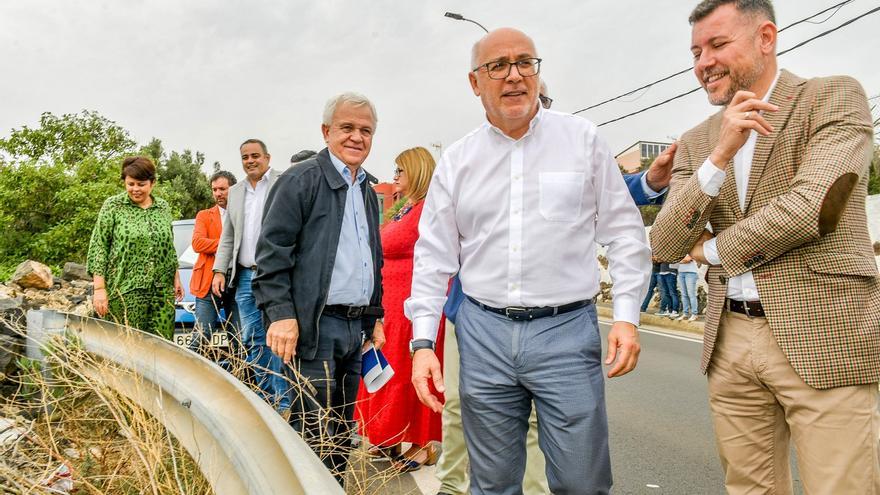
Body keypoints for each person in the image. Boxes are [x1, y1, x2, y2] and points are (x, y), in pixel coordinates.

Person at [407, 28, 651, 494]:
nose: (514, 75)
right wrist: (422, 343)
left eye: (526, 63)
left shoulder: (582, 140)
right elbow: (434, 256)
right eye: (498, 65)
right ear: (475, 83)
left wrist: (626, 317)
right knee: (493, 483)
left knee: (582, 481)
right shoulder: (458, 160)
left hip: (566, 332)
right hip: (483, 334)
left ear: (538, 73)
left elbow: (623, 231)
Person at [650, 1, 879, 493]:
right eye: (695, 52)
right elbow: (667, 241)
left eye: (717, 45)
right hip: (729, 338)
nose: (703, 62)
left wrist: (709, 252)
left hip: (825, 333)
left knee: (842, 486)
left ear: (766, 38)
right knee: (748, 488)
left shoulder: (832, 97)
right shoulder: (697, 141)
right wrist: (720, 154)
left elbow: (811, 208)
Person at [254, 92, 385, 486]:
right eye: (347, 128)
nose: (356, 137)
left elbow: (370, 260)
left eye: (365, 130)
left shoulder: (366, 189)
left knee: (343, 431)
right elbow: (272, 255)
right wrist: (281, 315)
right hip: (314, 327)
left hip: (354, 328)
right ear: (327, 131)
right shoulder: (301, 180)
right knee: (313, 429)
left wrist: (374, 319)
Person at [356, 146, 444, 472]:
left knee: (409, 373)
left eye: (400, 172)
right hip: (390, 301)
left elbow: (391, 244)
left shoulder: (426, 209)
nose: (395, 178)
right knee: (389, 371)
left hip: (411, 303)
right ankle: (388, 434)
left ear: (417, 172)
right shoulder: (404, 208)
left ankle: (422, 445)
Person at [211, 139, 288, 412]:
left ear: (267, 157)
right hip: (245, 277)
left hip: (277, 276)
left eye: (255, 155)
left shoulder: (283, 182)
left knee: (278, 337)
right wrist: (219, 270)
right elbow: (228, 236)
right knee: (252, 339)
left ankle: (284, 402)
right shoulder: (235, 192)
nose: (250, 161)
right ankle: (267, 401)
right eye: (245, 157)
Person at [87, 156, 183, 339]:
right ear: (124, 182)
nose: (135, 189)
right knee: (129, 346)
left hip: (161, 293)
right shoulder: (113, 206)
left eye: (141, 184)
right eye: (131, 184)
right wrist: (99, 289)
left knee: (162, 347)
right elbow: (99, 246)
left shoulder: (163, 207)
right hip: (125, 290)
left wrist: (176, 276)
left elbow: (168, 244)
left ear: (152, 183)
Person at [188, 170, 238, 353]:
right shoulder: (204, 215)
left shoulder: (243, 214)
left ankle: (239, 378)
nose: (218, 193)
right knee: (202, 335)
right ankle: (186, 374)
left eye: (222, 189)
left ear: (234, 189)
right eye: (214, 189)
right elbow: (197, 243)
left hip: (236, 282)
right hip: (207, 283)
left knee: (239, 337)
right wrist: (230, 245)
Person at [675, 255, 699, 321]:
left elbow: (688, 259)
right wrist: (682, 260)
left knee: (691, 294)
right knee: (684, 295)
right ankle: (685, 314)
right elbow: (673, 260)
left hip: (691, 273)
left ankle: (694, 314)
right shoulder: (680, 251)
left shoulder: (690, 249)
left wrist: (678, 260)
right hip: (681, 272)